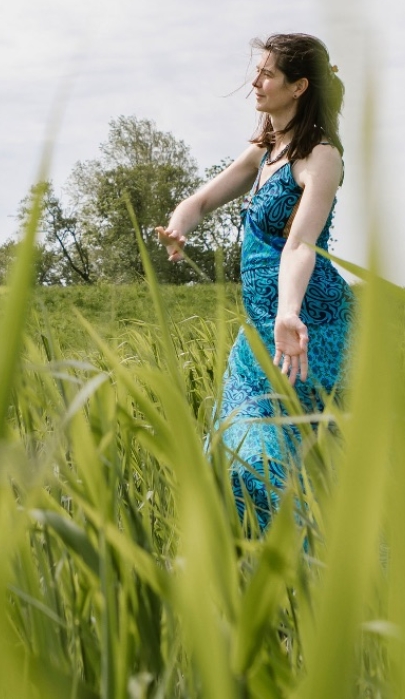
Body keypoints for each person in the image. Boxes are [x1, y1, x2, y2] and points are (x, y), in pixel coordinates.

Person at [152, 33, 353, 531]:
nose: (255, 83)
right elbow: (200, 201)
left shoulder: (320, 156)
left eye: (267, 74)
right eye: (256, 72)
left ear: (299, 86)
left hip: (308, 326)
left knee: (297, 458)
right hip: (259, 330)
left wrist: (288, 312)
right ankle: (254, 560)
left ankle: (315, 557)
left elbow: (300, 246)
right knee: (234, 448)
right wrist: (178, 228)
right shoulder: (265, 150)